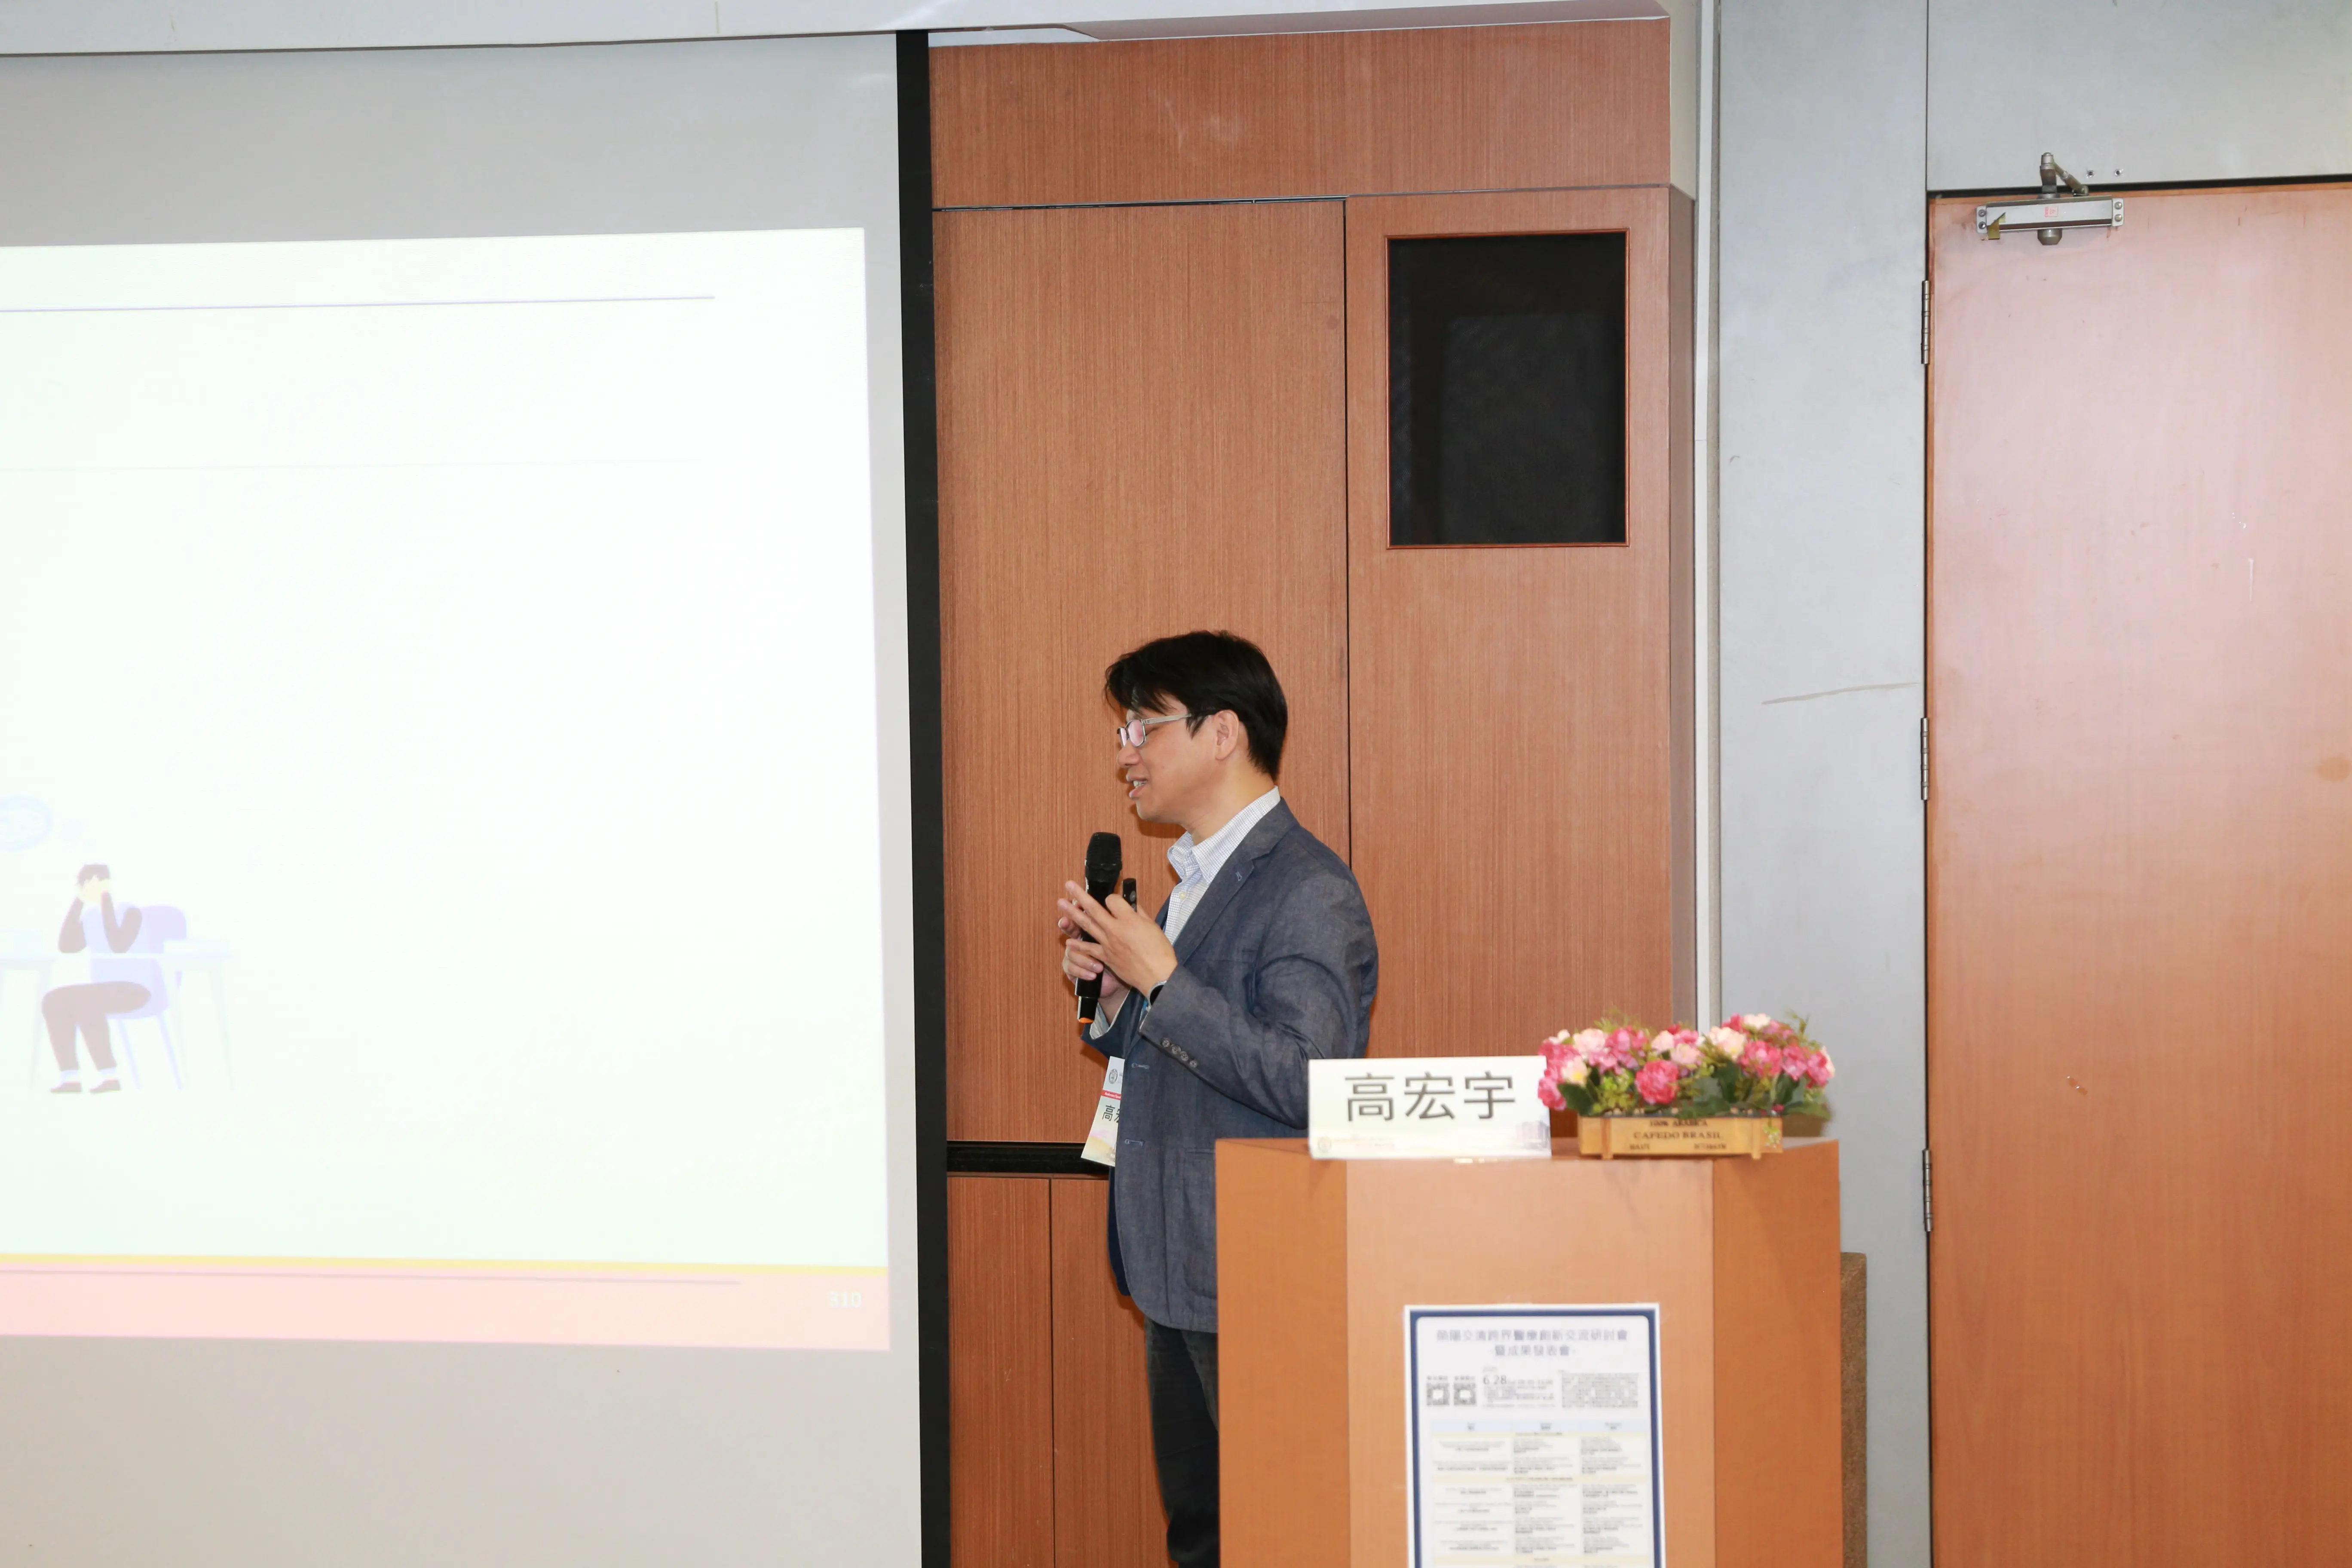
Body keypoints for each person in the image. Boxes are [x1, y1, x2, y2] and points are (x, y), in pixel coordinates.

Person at [1056, 631, 1378, 1568]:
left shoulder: (1307, 888)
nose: (1125, 751)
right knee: (1203, 1537)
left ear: (1223, 732)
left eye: (1142, 726)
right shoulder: (1197, 878)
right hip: (1176, 1266)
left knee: (1277, 1537)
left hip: (1257, 1273)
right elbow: (1181, 1046)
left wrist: (1161, 979)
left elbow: (1311, 1081)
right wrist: (1116, 999)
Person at [43, 864, 148, 1095]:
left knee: (85, 1000)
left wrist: (105, 899)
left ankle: (110, 1076)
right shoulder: (90, 916)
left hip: (137, 987)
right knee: (54, 1000)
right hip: (103, 989)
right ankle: (70, 1078)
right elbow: (67, 946)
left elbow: (118, 945)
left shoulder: (130, 912)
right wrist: (79, 902)